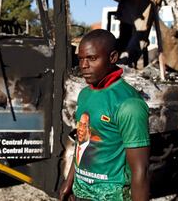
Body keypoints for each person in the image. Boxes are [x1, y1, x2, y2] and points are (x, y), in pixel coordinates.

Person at [60, 29, 150, 201]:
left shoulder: (129, 105)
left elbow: (141, 171)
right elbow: (82, 143)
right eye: (81, 59)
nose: (84, 65)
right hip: (80, 194)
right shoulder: (85, 94)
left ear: (113, 58)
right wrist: (70, 182)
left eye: (92, 59)